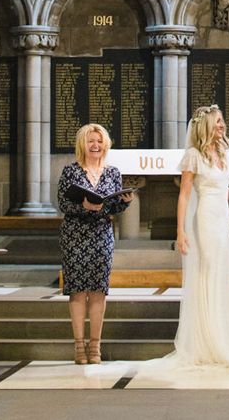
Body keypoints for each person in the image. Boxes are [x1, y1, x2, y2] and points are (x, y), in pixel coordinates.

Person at [171, 104, 229, 368]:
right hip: (206, 220)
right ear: (206, 125)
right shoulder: (193, 155)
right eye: (218, 121)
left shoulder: (222, 152)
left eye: (222, 121)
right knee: (208, 274)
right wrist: (180, 231)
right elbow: (185, 194)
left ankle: (220, 337)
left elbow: (223, 189)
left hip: (223, 221)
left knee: (223, 275)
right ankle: (207, 344)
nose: (222, 125)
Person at [57, 123, 133, 365]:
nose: (95, 145)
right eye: (91, 141)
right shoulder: (71, 171)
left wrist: (124, 202)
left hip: (101, 234)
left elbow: (113, 206)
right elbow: (63, 203)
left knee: (99, 291)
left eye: (99, 141)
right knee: (78, 290)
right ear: (83, 144)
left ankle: (95, 346)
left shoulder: (112, 173)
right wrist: (84, 206)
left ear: (105, 145)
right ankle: (79, 347)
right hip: (75, 236)